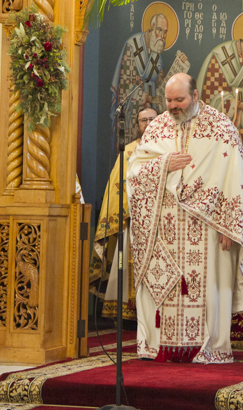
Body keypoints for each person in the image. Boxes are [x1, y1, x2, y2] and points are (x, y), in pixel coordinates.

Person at [126, 73, 243, 363]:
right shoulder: (156, 129)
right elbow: (135, 173)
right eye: (169, 100)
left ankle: (208, 347)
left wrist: (231, 225)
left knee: (209, 290)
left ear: (196, 96)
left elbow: (236, 177)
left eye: (180, 100)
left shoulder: (221, 127)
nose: (173, 106)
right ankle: (159, 345)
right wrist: (164, 165)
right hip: (164, 230)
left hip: (208, 230)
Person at [90, 106, 158, 322]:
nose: (147, 124)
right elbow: (117, 186)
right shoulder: (128, 151)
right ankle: (128, 313)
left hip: (161, 221)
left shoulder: (169, 148)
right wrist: (124, 213)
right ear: (137, 125)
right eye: (142, 120)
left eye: (151, 119)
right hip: (133, 220)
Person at [110, 13, 169, 139]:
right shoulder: (132, 46)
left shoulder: (156, 51)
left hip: (152, 117)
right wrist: (149, 98)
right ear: (152, 27)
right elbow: (125, 86)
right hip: (132, 115)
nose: (162, 36)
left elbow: (161, 83)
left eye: (165, 32)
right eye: (159, 30)